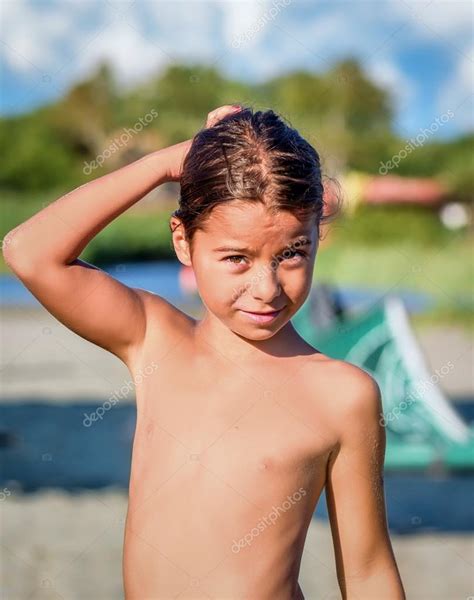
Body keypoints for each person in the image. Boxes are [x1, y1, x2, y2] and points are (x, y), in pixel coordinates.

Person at [3, 104, 406, 599]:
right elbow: (29, 251)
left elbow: (367, 571)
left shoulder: (344, 395)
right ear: (183, 241)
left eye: (292, 253)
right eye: (236, 258)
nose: (266, 287)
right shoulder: (155, 338)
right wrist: (166, 164)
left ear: (316, 239)